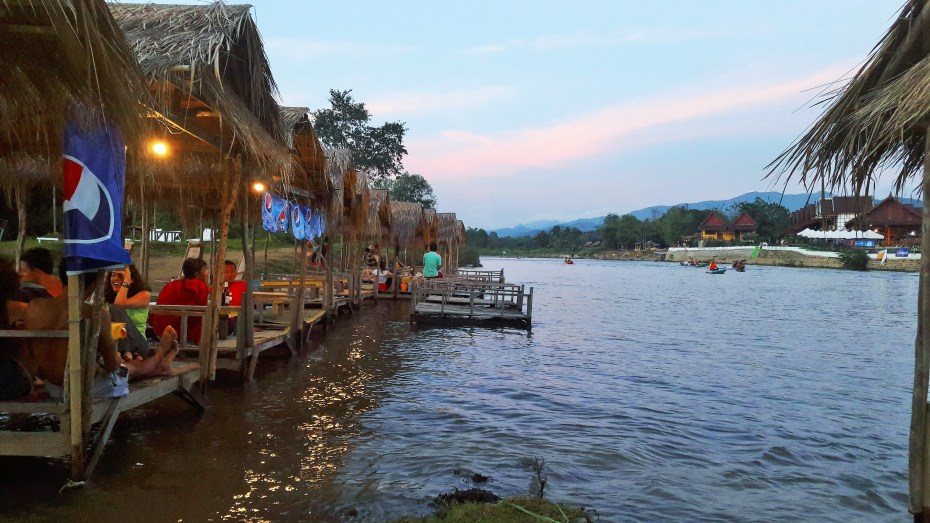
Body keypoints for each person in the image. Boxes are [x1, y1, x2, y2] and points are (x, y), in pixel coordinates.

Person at [0, 260, 181, 399]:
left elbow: (32, 355)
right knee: (126, 367)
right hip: (89, 388)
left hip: (54, 387)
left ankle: (158, 365)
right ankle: (158, 359)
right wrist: (114, 356)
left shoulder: (34, 307)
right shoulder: (96, 314)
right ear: (95, 283)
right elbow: (112, 365)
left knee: (121, 365)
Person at [150, 257, 209, 344]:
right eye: (205, 271)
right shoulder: (200, 286)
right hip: (181, 334)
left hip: (160, 331)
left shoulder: (171, 285)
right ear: (197, 275)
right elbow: (202, 310)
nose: (207, 274)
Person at [104, 264, 151, 361]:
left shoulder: (144, 295)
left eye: (120, 276)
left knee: (115, 309)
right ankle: (124, 352)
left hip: (138, 344)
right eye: (113, 275)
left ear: (131, 279)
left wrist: (126, 282)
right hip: (114, 343)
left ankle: (125, 352)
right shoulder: (108, 298)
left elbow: (119, 305)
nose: (115, 279)